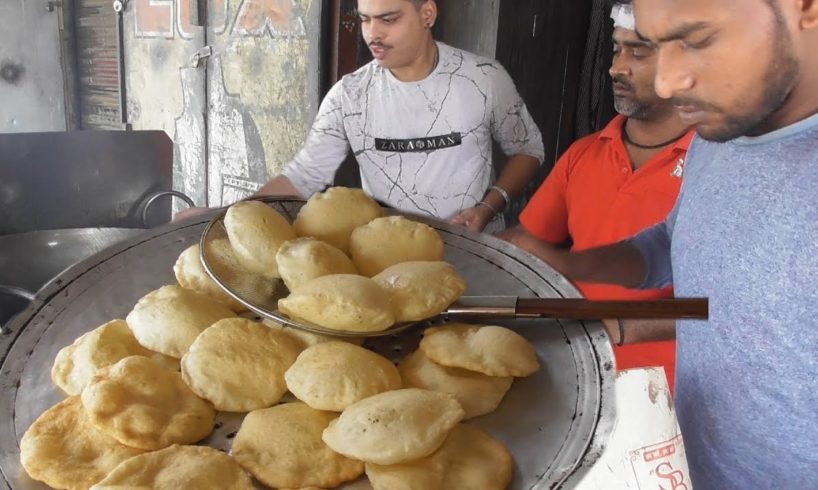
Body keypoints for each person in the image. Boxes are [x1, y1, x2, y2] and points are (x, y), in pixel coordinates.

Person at [505, 0, 818, 487]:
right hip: (685, 462)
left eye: (695, 40)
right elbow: (674, 245)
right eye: (657, 45)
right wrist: (574, 264)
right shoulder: (720, 139)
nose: (668, 83)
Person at [176, 0, 544, 232]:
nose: (373, 34)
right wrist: (228, 214)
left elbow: (528, 149)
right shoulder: (349, 95)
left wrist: (487, 206)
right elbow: (304, 176)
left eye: (388, 19)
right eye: (366, 19)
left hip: (477, 250)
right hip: (388, 259)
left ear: (427, 14)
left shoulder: (482, 78)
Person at [500, 1, 693, 392]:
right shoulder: (584, 154)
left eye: (637, 51)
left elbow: (738, 309)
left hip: (670, 396)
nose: (616, 67)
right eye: (615, 49)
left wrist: (624, 326)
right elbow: (529, 245)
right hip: (583, 376)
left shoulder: (714, 166)